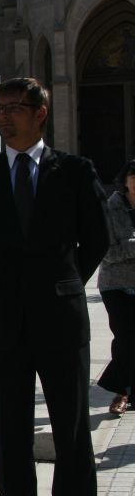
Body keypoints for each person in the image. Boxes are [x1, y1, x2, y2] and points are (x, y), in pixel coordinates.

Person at [0, 77, 109, 496]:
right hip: (4, 317)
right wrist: (4, 280)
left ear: (40, 113)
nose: (3, 117)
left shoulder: (75, 171)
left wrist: (64, 282)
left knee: (71, 423)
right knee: (11, 422)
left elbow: (97, 237)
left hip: (61, 317)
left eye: (14, 108)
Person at [97, 160, 135, 415]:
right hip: (116, 285)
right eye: (134, 177)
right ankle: (120, 391)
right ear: (125, 181)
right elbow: (109, 252)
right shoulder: (110, 207)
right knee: (126, 338)